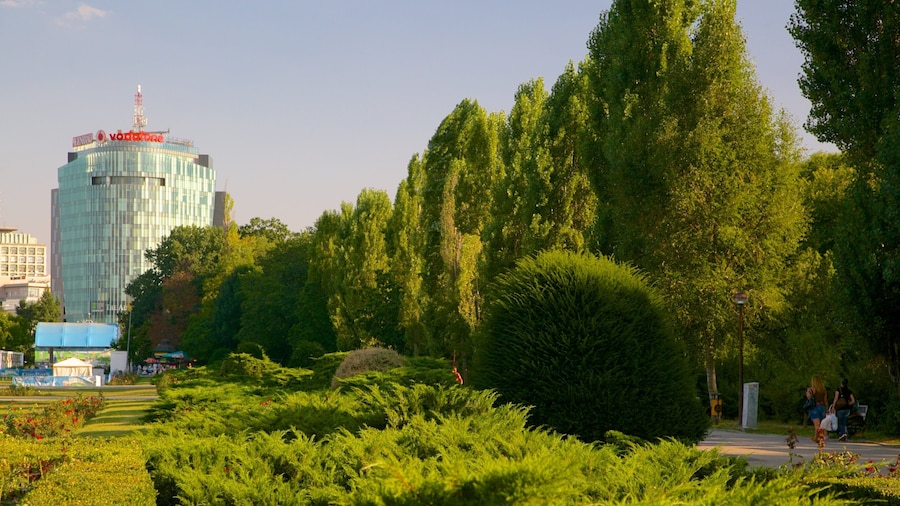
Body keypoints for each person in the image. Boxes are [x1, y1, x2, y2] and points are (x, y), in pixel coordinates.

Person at [807, 375, 828, 443]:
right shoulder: (823, 390)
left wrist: (808, 392)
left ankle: (817, 437)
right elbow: (825, 400)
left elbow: (809, 397)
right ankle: (819, 437)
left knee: (816, 424)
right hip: (822, 407)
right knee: (821, 423)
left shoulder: (812, 389)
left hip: (814, 407)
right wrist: (827, 408)